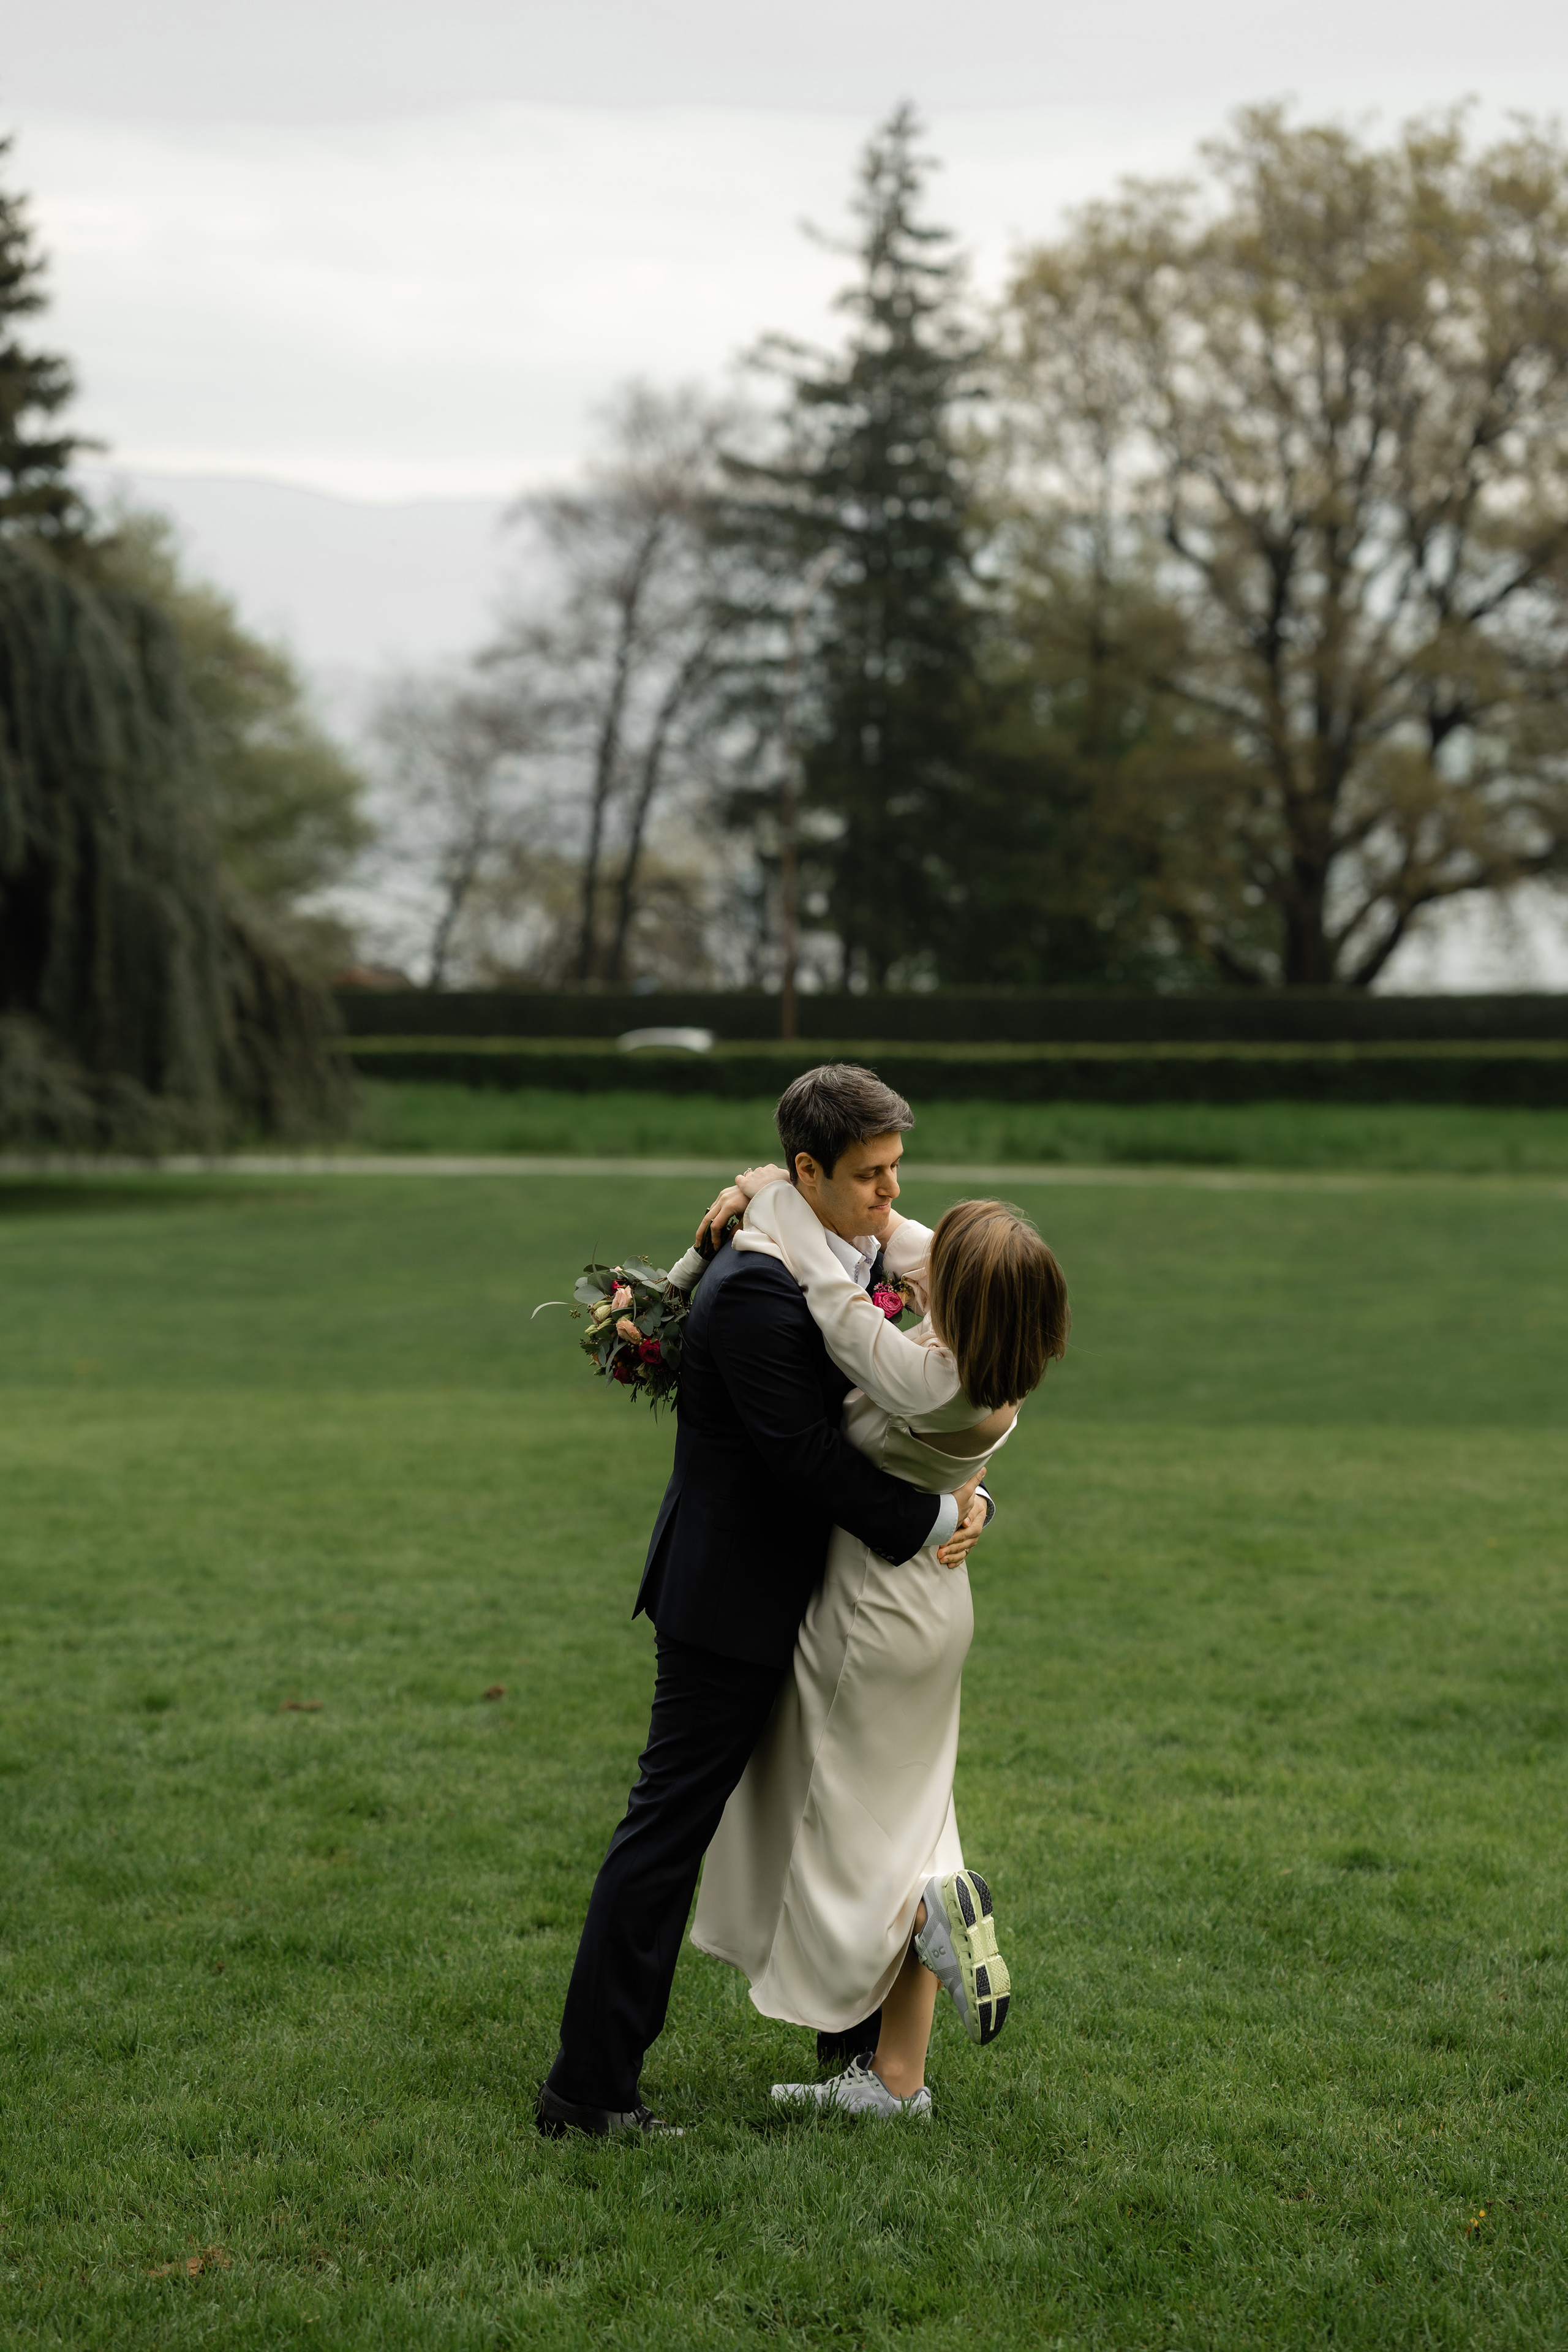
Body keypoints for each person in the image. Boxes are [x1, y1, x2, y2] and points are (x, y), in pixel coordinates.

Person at [536, 1065, 992, 2138]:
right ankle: (589, 2093)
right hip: (732, 1604)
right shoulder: (751, 1291)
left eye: (895, 1173)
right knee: (666, 1835)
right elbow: (805, 1462)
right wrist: (933, 1524)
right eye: (869, 1176)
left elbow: (889, 1428)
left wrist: (966, 1489)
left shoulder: (855, 1252)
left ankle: (863, 2070)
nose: (889, 1194)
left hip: (823, 1601)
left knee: (845, 1817)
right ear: (806, 1172)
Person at [690, 1169, 1069, 2120]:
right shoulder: (995, 1363)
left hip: (874, 1610)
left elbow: (832, 1296)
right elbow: (900, 1236)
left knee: (846, 1834)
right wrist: (784, 1179)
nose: (925, 1259)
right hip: (934, 1604)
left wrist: (776, 1207)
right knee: (918, 1827)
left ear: (968, 1296)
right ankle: (898, 2081)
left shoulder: (931, 1376)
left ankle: (886, 1948)